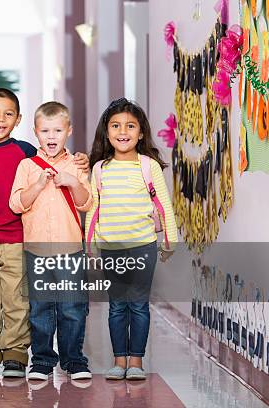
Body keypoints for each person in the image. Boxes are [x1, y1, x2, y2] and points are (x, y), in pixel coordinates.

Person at [0, 88, 90, 377]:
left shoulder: (27, 152)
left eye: (8, 114)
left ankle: (20, 353)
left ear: (17, 120)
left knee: (23, 300)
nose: (0, 119)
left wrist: (82, 160)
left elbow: (60, 163)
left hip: (22, 240)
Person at [84, 98, 177, 380]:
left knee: (137, 304)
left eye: (130, 126)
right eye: (115, 125)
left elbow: (164, 204)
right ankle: (119, 361)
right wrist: (90, 244)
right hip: (111, 247)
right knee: (116, 306)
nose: (122, 131)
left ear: (140, 133)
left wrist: (169, 240)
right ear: (106, 131)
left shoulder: (148, 166)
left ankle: (135, 362)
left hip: (142, 246)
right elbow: (94, 208)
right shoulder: (100, 168)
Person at [9, 101, 93, 381]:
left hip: (70, 248)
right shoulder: (26, 166)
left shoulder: (77, 165)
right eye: (45, 131)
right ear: (36, 132)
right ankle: (42, 360)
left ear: (69, 130)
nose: (52, 136)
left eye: (58, 130)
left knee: (72, 307)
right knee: (41, 307)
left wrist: (73, 181)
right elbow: (16, 204)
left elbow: (86, 203)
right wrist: (37, 185)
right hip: (37, 249)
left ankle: (73, 359)